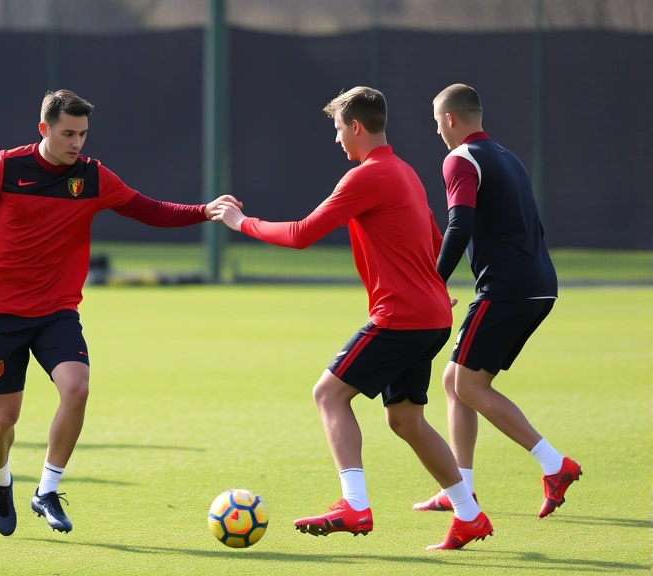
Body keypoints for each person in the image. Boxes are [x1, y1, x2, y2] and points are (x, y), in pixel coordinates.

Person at [0, 89, 240, 536]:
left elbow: (150, 210)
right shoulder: (5, 167)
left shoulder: (93, 177)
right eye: (67, 133)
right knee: (4, 420)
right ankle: (0, 480)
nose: (77, 143)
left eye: (82, 134)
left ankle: (46, 490)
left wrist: (205, 211)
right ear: (43, 129)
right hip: (3, 310)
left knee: (77, 387)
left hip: (57, 309)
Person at [211, 87, 492, 550]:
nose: (337, 139)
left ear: (356, 127)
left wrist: (242, 222)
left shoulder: (366, 177)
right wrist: (433, 288)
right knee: (405, 420)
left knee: (329, 394)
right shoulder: (404, 172)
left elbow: (302, 234)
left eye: (339, 129)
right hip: (431, 317)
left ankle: (354, 505)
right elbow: (435, 233)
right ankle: (469, 515)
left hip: (401, 317)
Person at [412, 83, 579, 518]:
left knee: (468, 384)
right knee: (454, 383)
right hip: (539, 283)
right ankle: (459, 489)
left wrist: (433, 282)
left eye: (436, 122)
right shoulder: (510, 157)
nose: (436, 131)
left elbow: (459, 226)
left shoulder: (459, 159)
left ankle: (553, 463)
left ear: (450, 118)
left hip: (506, 288)